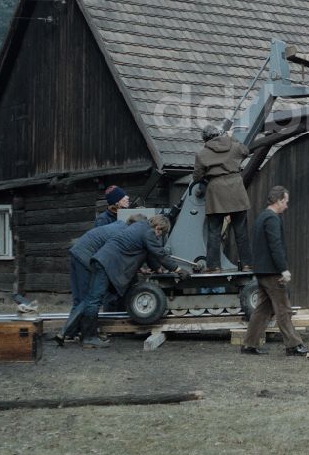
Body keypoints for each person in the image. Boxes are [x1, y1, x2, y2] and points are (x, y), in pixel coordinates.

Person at [61, 214, 187, 347]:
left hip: (102, 261)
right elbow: (159, 253)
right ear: (158, 228)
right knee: (94, 299)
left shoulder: (140, 227)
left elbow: (148, 254)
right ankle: (88, 338)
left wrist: (157, 269)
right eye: (160, 233)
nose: (158, 237)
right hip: (105, 263)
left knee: (91, 299)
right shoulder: (148, 232)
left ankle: (74, 333)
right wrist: (178, 269)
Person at [57, 214, 146, 346]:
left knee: (80, 299)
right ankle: (86, 336)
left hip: (77, 252)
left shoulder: (118, 225)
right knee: (91, 298)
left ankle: (72, 333)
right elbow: (114, 257)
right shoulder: (124, 234)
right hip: (86, 257)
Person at [241, 186, 308, 356]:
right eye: (285, 202)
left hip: (262, 272)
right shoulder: (272, 219)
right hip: (272, 272)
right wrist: (283, 269)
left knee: (263, 309)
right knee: (284, 309)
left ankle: (249, 344)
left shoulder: (261, 217)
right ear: (278, 201)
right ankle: (293, 345)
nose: (287, 206)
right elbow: (275, 246)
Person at [193, 126, 253, 272]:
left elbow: (197, 177)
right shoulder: (233, 145)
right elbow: (246, 151)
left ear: (205, 139)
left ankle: (214, 266)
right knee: (241, 231)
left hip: (216, 192)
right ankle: (247, 265)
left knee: (214, 231)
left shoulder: (202, 154)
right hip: (236, 189)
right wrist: (231, 137)